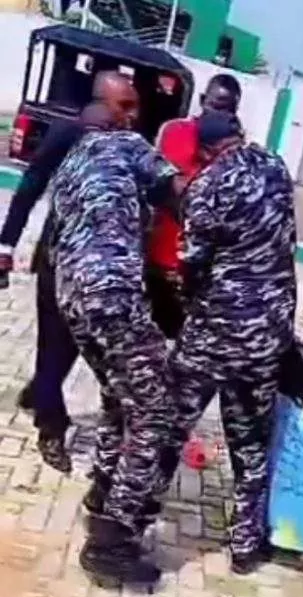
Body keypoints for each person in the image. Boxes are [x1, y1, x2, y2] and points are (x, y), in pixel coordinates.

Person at [163, 110, 298, 575]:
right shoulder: (278, 168)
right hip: (267, 336)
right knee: (251, 444)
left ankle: (132, 522)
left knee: (169, 427)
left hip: (214, 333)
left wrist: (187, 298)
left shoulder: (207, 188)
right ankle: (245, 545)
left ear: (203, 150)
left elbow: (191, 264)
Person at [51, 121, 184, 587]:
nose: (131, 116)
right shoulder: (127, 143)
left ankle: (103, 489)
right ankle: (111, 539)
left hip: (71, 293)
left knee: (117, 393)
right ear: (105, 112)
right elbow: (178, 192)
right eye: (124, 105)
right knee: (155, 410)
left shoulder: (70, 166)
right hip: (112, 293)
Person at [0, 72, 141, 473]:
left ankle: (40, 391)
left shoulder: (126, 145)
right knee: (52, 346)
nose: (132, 115)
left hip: (98, 275)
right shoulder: (67, 135)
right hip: (57, 262)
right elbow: (29, 188)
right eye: (124, 106)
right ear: (102, 100)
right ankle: (51, 428)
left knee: (70, 350)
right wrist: (5, 246)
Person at [146, 73, 243, 339]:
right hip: (160, 258)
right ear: (202, 101)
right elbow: (157, 184)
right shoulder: (175, 131)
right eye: (215, 105)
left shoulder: (236, 148)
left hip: (200, 274)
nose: (219, 115)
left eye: (228, 109)